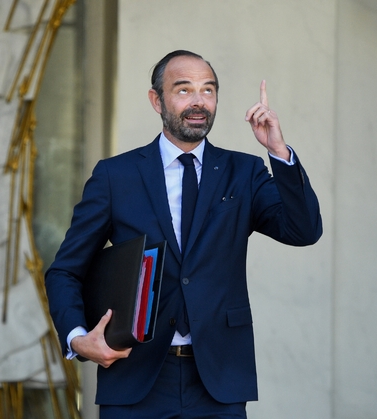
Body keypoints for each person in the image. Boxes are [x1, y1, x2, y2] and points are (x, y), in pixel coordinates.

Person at [44, 50, 323, 418]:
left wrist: (279, 152)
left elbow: (303, 230)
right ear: (156, 99)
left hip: (219, 381)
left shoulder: (245, 172)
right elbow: (65, 270)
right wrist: (79, 338)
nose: (198, 102)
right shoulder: (116, 176)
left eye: (208, 90)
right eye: (184, 90)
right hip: (135, 378)